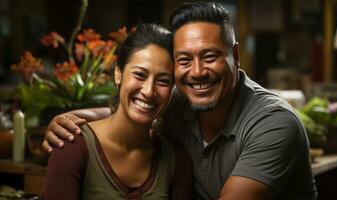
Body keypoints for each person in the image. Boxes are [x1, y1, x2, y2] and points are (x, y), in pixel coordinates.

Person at [43, 2, 317, 200]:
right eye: (184, 60)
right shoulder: (179, 102)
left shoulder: (274, 124)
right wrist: (70, 120)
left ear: (235, 55)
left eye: (210, 56)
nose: (197, 72)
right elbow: (136, 106)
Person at [44, 23, 193, 200]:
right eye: (139, 75)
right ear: (118, 73)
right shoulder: (71, 146)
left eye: (163, 81)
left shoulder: (177, 161)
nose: (148, 91)